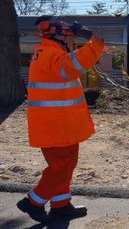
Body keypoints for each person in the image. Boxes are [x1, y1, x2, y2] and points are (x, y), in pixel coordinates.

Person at [16, 16, 105, 223]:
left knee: (65, 165)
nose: (73, 42)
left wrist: (95, 45)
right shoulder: (50, 54)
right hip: (55, 127)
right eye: (70, 38)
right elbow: (70, 67)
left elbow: (70, 65)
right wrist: (95, 44)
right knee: (61, 168)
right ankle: (33, 201)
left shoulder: (49, 52)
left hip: (60, 126)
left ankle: (61, 205)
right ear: (59, 37)